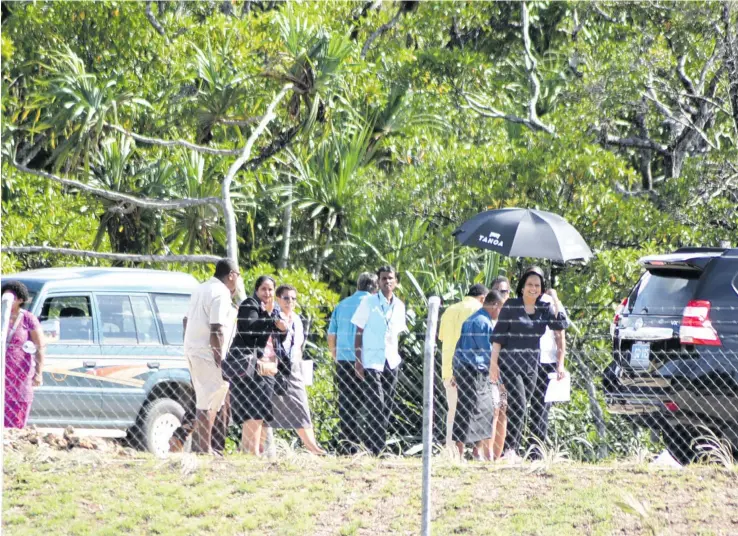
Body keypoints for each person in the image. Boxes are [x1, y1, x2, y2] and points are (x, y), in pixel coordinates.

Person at [489, 266, 567, 457]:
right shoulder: (511, 306)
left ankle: (514, 450)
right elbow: (498, 337)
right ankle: (510, 450)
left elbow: (560, 325)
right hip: (510, 362)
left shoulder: (544, 308)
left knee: (524, 405)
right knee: (520, 404)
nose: (533, 288)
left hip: (532, 364)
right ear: (522, 287)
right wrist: (493, 364)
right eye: (530, 284)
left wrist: (554, 298)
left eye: (537, 285)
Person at [181, 259, 239, 454]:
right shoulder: (221, 293)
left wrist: (188, 344)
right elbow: (217, 329)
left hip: (192, 349)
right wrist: (219, 357)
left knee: (209, 400)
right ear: (231, 275)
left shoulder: (200, 288)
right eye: (237, 276)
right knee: (208, 401)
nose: (237, 281)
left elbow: (185, 321)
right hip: (208, 352)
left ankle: (204, 448)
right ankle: (203, 449)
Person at [228, 275, 288, 455]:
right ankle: (250, 452)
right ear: (256, 290)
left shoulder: (274, 309)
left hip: (268, 367)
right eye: (264, 289)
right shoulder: (249, 305)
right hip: (251, 367)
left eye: (270, 289)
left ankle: (251, 451)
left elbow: (277, 335)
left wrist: (282, 327)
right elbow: (251, 330)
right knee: (253, 410)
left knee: (262, 412)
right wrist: (269, 317)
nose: (267, 293)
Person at [351, 265, 408, 455]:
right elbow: (358, 331)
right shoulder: (368, 302)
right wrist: (358, 360)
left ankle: (376, 444)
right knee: (377, 402)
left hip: (390, 359)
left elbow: (396, 334)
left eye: (390, 278)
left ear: (396, 282)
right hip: (371, 359)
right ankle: (376, 446)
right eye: (384, 278)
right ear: (378, 281)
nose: (387, 282)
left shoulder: (399, 305)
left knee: (388, 404)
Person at [269, 284, 326, 455]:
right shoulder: (273, 317)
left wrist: (299, 368)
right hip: (273, 366)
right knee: (265, 410)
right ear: (278, 299)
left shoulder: (297, 320)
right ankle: (257, 449)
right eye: (286, 298)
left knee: (301, 405)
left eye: (293, 298)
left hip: (292, 368)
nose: (290, 301)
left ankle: (314, 448)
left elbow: (298, 347)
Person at [327, 272, 378, 454]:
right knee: (373, 403)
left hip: (344, 360)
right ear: (375, 287)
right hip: (369, 361)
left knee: (347, 403)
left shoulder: (341, 305)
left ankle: (348, 445)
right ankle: (371, 445)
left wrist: (335, 354)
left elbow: (331, 335)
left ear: (358, 285)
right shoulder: (374, 305)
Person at [451, 290, 505, 461]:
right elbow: (488, 352)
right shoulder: (483, 322)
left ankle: (464, 452)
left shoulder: (471, 319)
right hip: (475, 371)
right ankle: (473, 451)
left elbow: (458, 347)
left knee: (468, 409)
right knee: (481, 409)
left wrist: (455, 371)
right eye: (500, 308)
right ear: (495, 305)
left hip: (463, 369)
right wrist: (500, 378)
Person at [438, 283, 487, 450]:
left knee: (453, 411)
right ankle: (475, 450)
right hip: (470, 369)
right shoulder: (479, 312)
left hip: (448, 368)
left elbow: (442, 337)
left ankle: (452, 452)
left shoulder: (449, 310)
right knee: (475, 411)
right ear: (482, 298)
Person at [2, 281, 45, 429]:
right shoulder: (2, 317)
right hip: (2, 375)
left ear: (20, 299)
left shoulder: (28, 319)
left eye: (12, 297)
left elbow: (40, 346)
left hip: (20, 375)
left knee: (18, 410)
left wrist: (38, 373)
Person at [529, 292, 568, 447]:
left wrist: (560, 364)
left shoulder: (550, 302)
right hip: (527, 359)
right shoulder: (523, 302)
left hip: (547, 361)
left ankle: (536, 448)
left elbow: (560, 335)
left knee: (541, 407)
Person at [489, 275, 511, 460]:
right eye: (497, 291)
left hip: (508, 370)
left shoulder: (513, 315)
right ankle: (486, 453)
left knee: (503, 409)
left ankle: (497, 455)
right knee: (492, 410)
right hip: (490, 370)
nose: (501, 295)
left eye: (504, 291)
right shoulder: (490, 316)